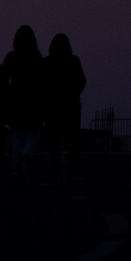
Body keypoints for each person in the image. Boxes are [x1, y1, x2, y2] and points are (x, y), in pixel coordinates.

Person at [0, 27, 45, 174]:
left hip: (16, 98)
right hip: (32, 98)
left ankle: (17, 165)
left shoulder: (11, 56)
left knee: (18, 134)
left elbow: (3, 77)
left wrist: (7, 93)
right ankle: (27, 153)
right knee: (33, 132)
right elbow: (42, 79)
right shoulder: (36, 56)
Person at [43, 34, 87, 187]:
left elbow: (41, 83)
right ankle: (73, 172)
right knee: (74, 139)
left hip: (52, 106)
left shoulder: (47, 62)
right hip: (71, 105)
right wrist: (74, 94)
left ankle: (56, 172)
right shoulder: (74, 60)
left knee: (54, 140)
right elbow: (82, 80)